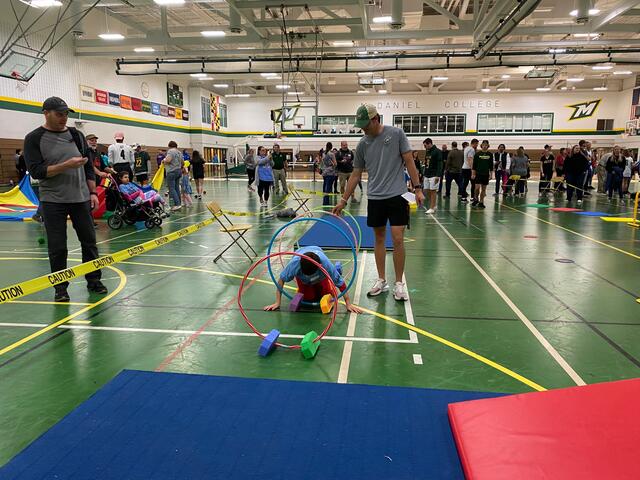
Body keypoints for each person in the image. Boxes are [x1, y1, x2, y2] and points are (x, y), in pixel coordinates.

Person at [333, 104, 423, 301]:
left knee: (398, 238)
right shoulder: (363, 144)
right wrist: (343, 199)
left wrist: (417, 188)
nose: (363, 129)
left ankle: (399, 283)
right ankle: (381, 280)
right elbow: (356, 174)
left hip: (397, 195)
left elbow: (409, 161)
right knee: (379, 238)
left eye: (366, 125)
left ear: (376, 119)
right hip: (375, 197)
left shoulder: (397, 134)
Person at [23, 96, 107, 302]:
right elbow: (36, 172)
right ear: (46, 113)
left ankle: (94, 280)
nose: (63, 118)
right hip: (53, 201)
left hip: (80, 198)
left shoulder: (76, 135)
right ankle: (60, 288)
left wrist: (93, 192)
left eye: (66, 114)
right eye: (59, 114)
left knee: (89, 241)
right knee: (58, 246)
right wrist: (66, 165)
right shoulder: (34, 138)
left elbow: (88, 166)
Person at [263, 246, 361, 313]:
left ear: (320, 266)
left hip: (320, 276)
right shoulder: (294, 264)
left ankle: (330, 284)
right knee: (308, 298)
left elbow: (340, 283)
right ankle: (309, 286)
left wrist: (348, 303)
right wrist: (277, 302)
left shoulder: (325, 264)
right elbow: (281, 280)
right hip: (304, 280)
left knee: (325, 294)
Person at [422, 138, 443, 214]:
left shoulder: (437, 151)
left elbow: (440, 164)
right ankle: (433, 205)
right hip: (427, 174)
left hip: (434, 175)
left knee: (433, 191)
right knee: (426, 190)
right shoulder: (427, 152)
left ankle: (432, 208)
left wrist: (438, 175)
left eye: (425, 145)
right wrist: (424, 174)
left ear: (429, 144)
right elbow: (426, 163)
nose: (424, 147)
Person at [472, 140, 493, 209]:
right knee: (477, 188)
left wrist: (491, 174)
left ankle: (481, 202)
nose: (485, 146)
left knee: (483, 189)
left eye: (486, 145)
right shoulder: (477, 154)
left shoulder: (490, 155)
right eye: (483, 145)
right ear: (481, 146)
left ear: (488, 146)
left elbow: (491, 165)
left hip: (485, 174)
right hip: (478, 174)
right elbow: (474, 165)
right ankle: (475, 199)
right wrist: (473, 174)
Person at [163, 140, 183, 211]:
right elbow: (182, 162)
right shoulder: (179, 152)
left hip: (171, 171)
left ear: (170, 146)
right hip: (178, 171)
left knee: (172, 188)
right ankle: (179, 203)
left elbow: (168, 160)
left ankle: (177, 204)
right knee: (177, 187)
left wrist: (164, 160)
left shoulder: (171, 151)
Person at [321, 142, 337, 206]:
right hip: (330, 172)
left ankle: (325, 201)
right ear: (331, 147)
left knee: (325, 186)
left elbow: (322, 162)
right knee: (328, 187)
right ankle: (326, 202)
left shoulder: (323, 154)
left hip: (324, 172)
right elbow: (335, 163)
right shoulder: (331, 154)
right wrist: (333, 166)